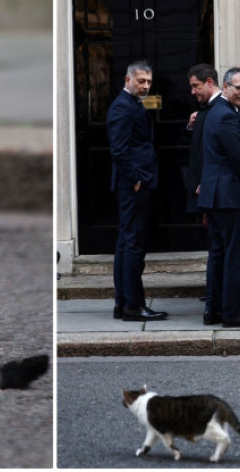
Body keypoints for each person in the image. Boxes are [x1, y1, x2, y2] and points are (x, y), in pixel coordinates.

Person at [198, 67, 240, 328]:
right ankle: (233, 313)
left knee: (218, 255)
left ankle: (213, 311)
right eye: (239, 88)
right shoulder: (227, 116)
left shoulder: (215, 112)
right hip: (229, 195)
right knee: (235, 256)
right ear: (225, 87)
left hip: (214, 196)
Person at [106, 60, 167, 321]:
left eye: (149, 82)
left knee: (126, 243)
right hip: (133, 185)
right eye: (141, 81)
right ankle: (133, 305)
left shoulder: (133, 104)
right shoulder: (122, 107)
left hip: (135, 183)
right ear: (127, 79)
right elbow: (118, 149)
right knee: (133, 245)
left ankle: (123, 303)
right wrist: (136, 178)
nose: (145, 86)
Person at [185, 64, 222, 215]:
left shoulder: (221, 109)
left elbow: (218, 153)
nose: (192, 92)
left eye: (195, 86)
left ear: (209, 82)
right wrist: (191, 125)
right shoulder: (206, 106)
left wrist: (205, 182)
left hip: (211, 189)